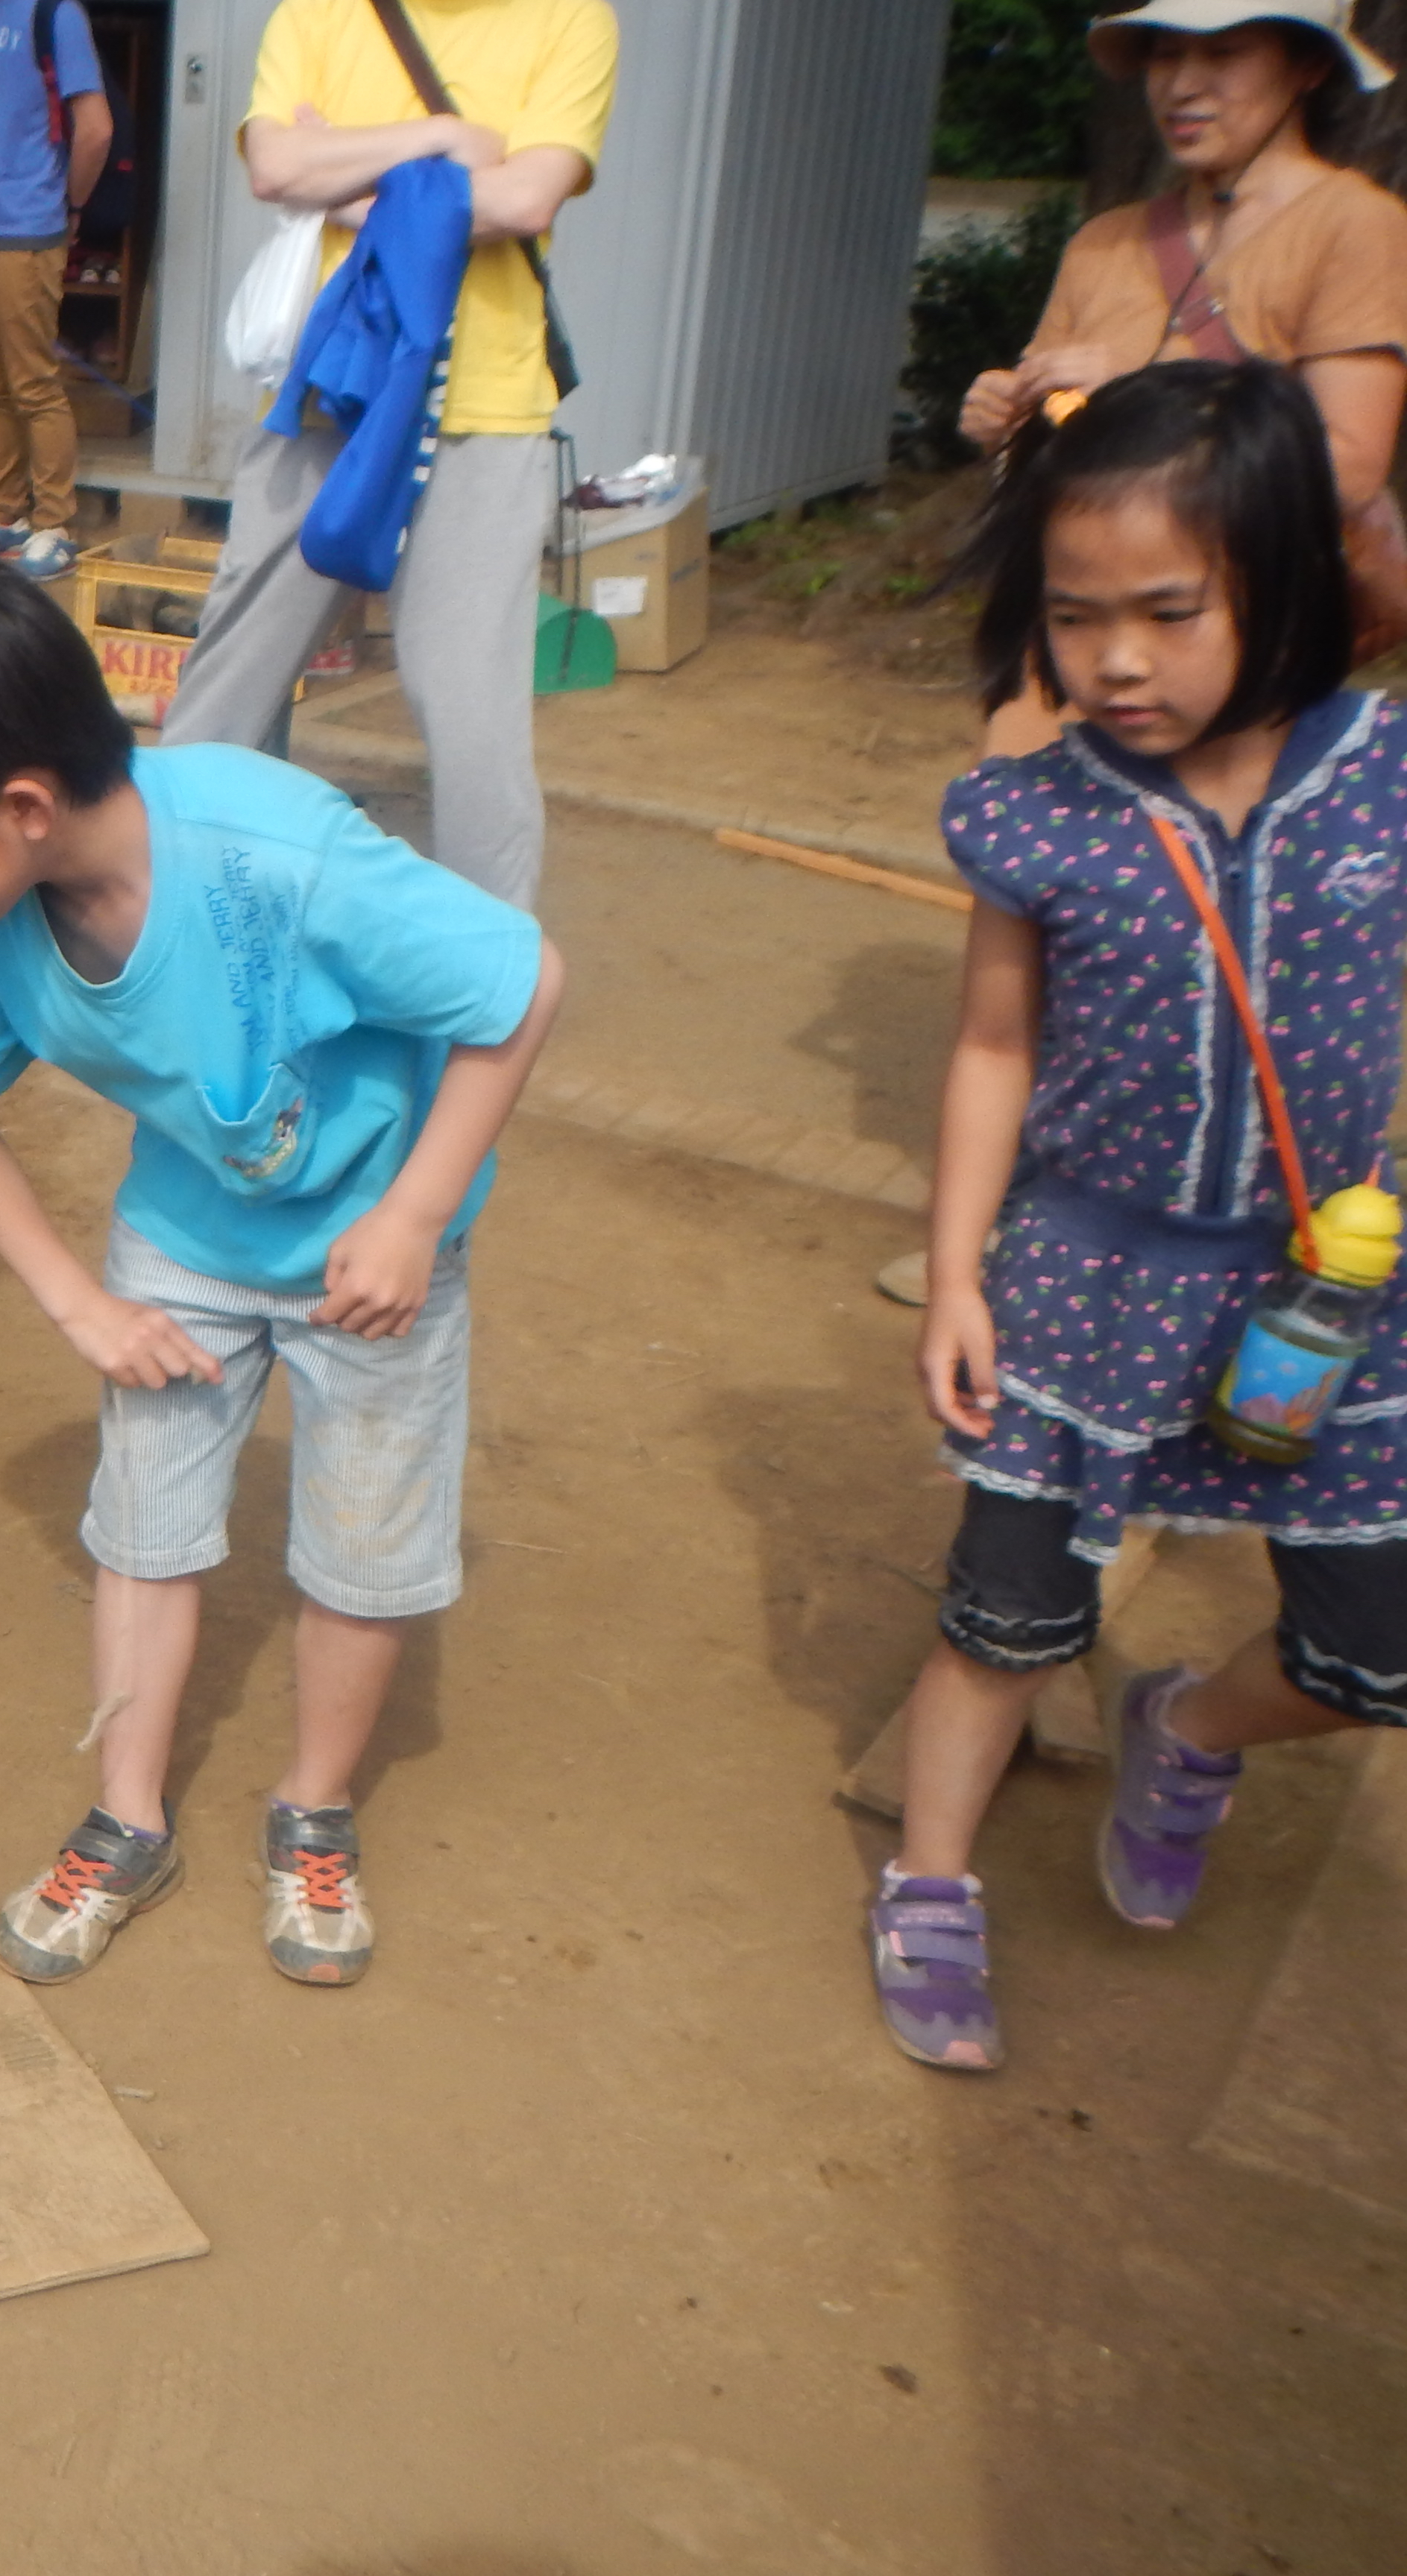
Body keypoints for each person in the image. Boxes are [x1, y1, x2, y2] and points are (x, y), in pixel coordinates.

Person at [0, 554, 561, 1987]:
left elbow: (518, 984)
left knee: (362, 1549)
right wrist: (82, 1301)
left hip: (372, 1251)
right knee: (142, 1528)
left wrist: (416, 1213)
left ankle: (311, 1810)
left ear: (18, 807)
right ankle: (126, 1816)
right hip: (183, 1242)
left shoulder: (279, 851)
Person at [868, 363, 1406, 2071]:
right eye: (1074, 613)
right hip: (1084, 1279)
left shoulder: (1383, 777)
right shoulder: (1038, 811)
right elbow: (989, 1042)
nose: (1112, 659)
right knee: (1007, 1618)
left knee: (1371, 1650)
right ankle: (930, 1880)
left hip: (1321, 1290)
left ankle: (1192, 1721)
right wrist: (955, 1270)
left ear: (1283, 574)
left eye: (1167, 610)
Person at [160, 0, 617, 916]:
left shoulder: (572, 19)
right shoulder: (319, 12)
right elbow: (275, 166)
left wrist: (356, 183)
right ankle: (181, 914)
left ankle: (487, 982)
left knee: (469, 716)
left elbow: (528, 196)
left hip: (484, 411)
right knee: (230, 686)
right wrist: (446, 139)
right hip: (328, 391)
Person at [959, 1, 1407, 760]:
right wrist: (1010, 424)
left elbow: (1349, 468)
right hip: (1074, 641)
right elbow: (1062, 436)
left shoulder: (1358, 226)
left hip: (1238, 661)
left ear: (1309, 67)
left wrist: (1136, 382)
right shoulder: (1104, 243)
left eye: (1223, 55)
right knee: (1023, 855)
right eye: (1164, 57)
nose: (1182, 85)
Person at [0, 0, 113, 581]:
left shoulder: (56, 14)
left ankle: (55, 524)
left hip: (26, 228)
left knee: (34, 383)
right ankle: (4, 514)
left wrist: (72, 204)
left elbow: (97, 128)